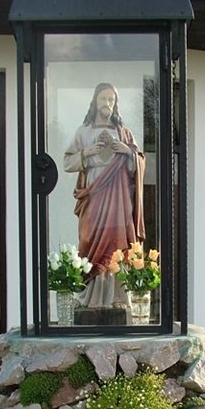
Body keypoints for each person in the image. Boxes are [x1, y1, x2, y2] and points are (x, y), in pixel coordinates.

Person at [64, 83, 145, 309]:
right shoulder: (84, 132)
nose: (107, 103)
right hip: (94, 197)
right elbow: (67, 162)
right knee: (89, 241)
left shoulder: (124, 133)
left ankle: (116, 299)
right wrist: (85, 153)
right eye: (103, 99)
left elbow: (137, 166)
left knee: (117, 246)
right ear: (95, 102)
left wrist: (127, 151)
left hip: (118, 199)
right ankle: (89, 299)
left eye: (111, 99)